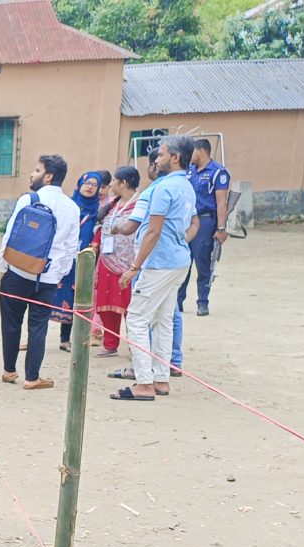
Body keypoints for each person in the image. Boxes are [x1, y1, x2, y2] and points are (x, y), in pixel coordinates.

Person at [110, 135, 197, 401]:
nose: (156, 161)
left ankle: (144, 383)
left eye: (160, 155)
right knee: (163, 320)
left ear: (175, 157)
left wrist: (134, 267)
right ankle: (160, 378)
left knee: (136, 318)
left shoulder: (163, 188)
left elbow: (153, 232)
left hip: (160, 262)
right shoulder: (186, 186)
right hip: (178, 260)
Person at [0, 154, 81, 390]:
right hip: (48, 276)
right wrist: (58, 274)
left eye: (36, 170)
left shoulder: (28, 199)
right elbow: (71, 248)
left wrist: (3, 267)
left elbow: (9, 236)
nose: (32, 174)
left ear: (48, 176)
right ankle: (32, 377)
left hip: (18, 271)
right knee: (38, 325)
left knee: (10, 321)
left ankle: (9, 370)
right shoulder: (72, 207)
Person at [92, 166, 141, 357]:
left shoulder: (141, 205)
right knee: (106, 305)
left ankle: (137, 346)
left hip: (131, 263)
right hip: (107, 260)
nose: (111, 184)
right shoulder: (112, 204)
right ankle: (110, 344)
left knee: (132, 307)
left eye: (114, 181)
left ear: (124, 183)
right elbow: (101, 227)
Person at [180, 138, 230, 317]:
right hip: (186, 221)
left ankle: (202, 302)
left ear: (200, 151)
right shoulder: (188, 171)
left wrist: (221, 228)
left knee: (203, 262)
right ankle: (178, 302)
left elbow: (221, 202)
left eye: (191, 152)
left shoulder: (218, 172)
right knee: (183, 260)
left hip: (205, 221)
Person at [53, 172, 102, 351]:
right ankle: (35, 337)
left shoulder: (98, 212)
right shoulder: (69, 206)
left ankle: (67, 339)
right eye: (86, 183)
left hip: (85, 262)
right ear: (79, 185)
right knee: (53, 295)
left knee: (77, 298)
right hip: (65, 258)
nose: (89, 187)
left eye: (94, 185)